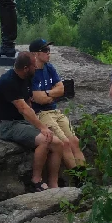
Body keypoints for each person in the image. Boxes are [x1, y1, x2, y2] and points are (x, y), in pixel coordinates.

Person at [0, 51, 65, 191]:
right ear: (26, 68)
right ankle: (36, 180)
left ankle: (53, 184)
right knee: (45, 139)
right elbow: (23, 109)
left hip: (22, 122)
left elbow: (29, 103)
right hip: (7, 124)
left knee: (58, 144)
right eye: (34, 65)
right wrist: (42, 127)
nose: (36, 67)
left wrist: (38, 123)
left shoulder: (27, 78)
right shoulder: (8, 82)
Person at [29, 39, 86, 170]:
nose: (48, 53)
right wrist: (51, 94)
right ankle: (78, 180)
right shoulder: (31, 73)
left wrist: (47, 93)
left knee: (74, 141)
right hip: (41, 113)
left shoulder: (49, 67)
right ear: (35, 54)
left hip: (54, 111)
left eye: (49, 50)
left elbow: (61, 89)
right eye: (45, 50)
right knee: (64, 143)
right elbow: (39, 99)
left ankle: (85, 177)